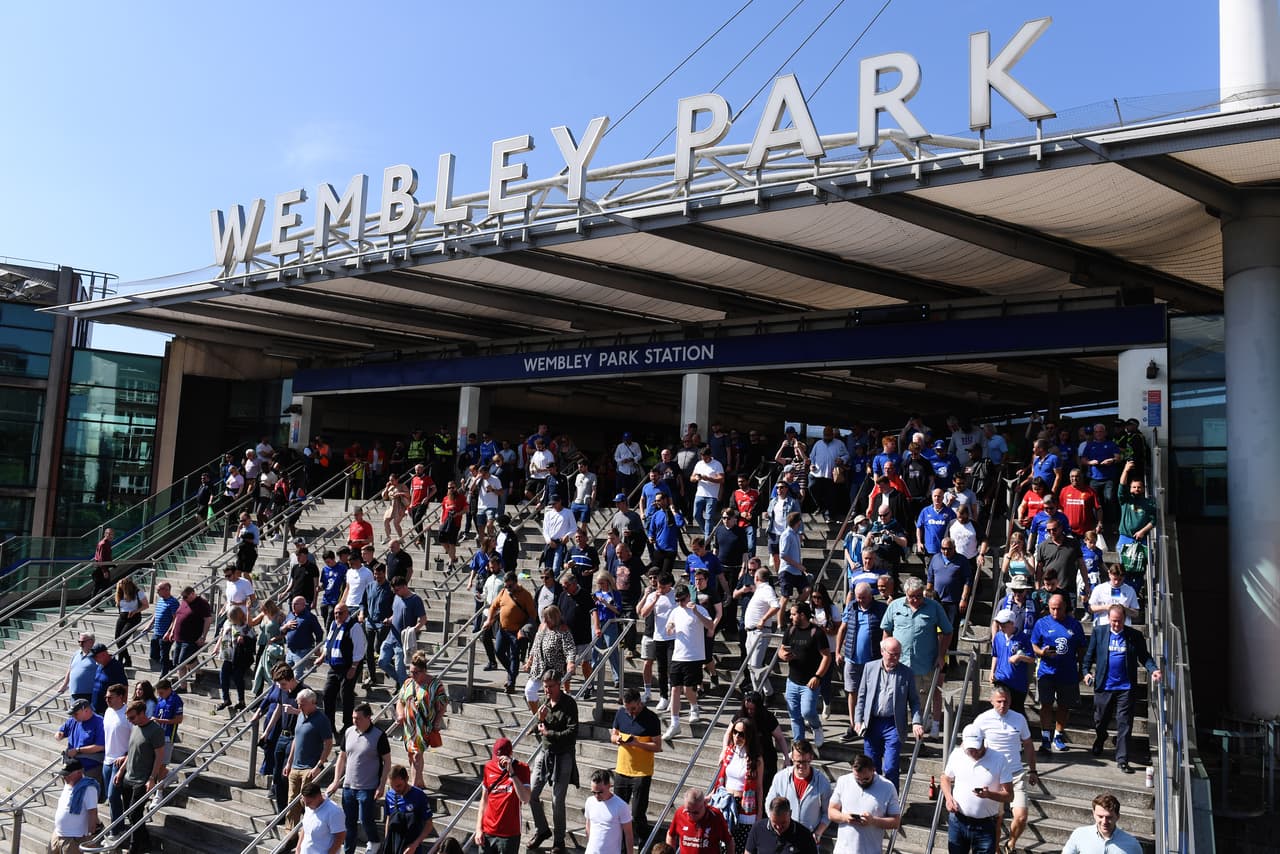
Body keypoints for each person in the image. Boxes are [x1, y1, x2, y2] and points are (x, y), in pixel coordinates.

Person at [1083, 604, 1162, 774]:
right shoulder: (1099, 632)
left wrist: (1153, 669)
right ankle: (1101, 737)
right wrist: (1086, 672)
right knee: (1100, 719)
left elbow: (1144, 656)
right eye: (1113, 621)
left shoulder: (1134, 636)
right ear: (1108, 619)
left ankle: (1122, 759)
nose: (1116, 625)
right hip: (1104, 685)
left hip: (1125, 687)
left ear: (1124, 619)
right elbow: (1089, 656)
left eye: (1119, 621)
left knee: (1125, 723)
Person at [880, 577, 952, 738]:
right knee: (895, 701)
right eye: (912, 596)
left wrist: (941, 655)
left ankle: (919, 741)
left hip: (923, 665)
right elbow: (886, 631)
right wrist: (885, 653)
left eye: (919, 596)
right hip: (898, 665)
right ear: (906, 593)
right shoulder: (895, 606)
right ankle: (898, 736)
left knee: (919, 706)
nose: (915, 600)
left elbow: (948, 631)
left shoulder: (934, 607)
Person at [971, 686, 1039, 854]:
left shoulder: (1019, 719)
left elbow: (1028, 744)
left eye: (1006, 701)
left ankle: (1011, 843)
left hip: (1015, 774)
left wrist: (1033, 770)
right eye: (999, 701)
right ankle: (996, 850)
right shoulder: (981, 720)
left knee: (1021, 817)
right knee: (997, 820)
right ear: (992, 701)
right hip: (993, 776)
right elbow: (971, 745)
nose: (1003, 705)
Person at [853, 637, 923, 794]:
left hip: (893, 724)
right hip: (872, 723)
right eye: (892, 654)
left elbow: (914, 701)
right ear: (882, 652)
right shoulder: (870, 668)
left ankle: (892, 804)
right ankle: (873, 800)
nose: (896, 658)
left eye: (898, 654)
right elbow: (862, 696)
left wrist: (916, 722)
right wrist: (858, 719)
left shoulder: (906, 673)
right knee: (871, 766)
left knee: (891, 766)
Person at [326, 703, 391, 854]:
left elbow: (387, 762)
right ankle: (349, 851)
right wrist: (336, 781)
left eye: (358, 718)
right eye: (353, 718)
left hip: (368, 787)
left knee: (366, 820)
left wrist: (381, 785)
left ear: (368, 718)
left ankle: (374, 841)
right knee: (349, 823)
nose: (355, 721)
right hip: (349, 786)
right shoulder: (349, 732)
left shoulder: (378, 735)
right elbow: (341, 757)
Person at [940, 724, 1012, 854]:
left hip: (985, 825)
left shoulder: (999, 759)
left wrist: (989, 794)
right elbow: (945, 778)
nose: (973, 752)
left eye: (976, 749)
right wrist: (948, 798)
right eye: (969, 749)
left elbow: (1009, 795)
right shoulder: (957, 754)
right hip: (958, 820)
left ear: (984, 742)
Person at [528, 669, 579, 853]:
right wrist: (537, 724)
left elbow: (572, 732)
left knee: (558, 800)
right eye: (545, 686)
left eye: (550, 686)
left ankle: (559, 841)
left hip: (563, 755)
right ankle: (542, 830)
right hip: (545, 752)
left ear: (559, 685)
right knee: (531, 794)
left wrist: (550, 733)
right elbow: (541, 725)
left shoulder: (569, 704)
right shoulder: (543, 702)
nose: (547, 690)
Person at [1030, 593, 1086, 754]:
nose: (1055, 612)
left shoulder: (1074, 625)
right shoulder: (1041, 623)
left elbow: (1082, 647)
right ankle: (1045, 736)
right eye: (1052, 609)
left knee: (1064, 705)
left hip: (1067, 672)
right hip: (1046, 672)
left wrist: (1082, 667)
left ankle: (1059, 735)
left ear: (1065, 607)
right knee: (1045, 704)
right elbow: (1033, 644)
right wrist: (1041, 652)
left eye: (1058, 609)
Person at [663, 584, 716, 740]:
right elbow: (668, 630)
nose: (681, 603)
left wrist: (695, 612)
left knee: (687, 689)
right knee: (674, 689)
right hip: (678, 655)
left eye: (683, 600)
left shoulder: (700, 609)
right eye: (678, 600)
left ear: (689, 597)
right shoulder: (675, 611)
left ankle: (694, 707)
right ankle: (675, 723)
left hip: (693, 656)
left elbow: (710, 626)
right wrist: (669, 627)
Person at [611, 688, 663, 845]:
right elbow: (612, 735)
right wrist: (618, 739)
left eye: (633, 708)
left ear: (640, 703)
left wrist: (637, 743)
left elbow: (657, 746)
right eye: (627, 709)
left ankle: (644, 843)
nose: (630, 712)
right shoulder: (621, 713)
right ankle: (619, 843)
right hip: (622, 769)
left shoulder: (651, 718)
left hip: (642, 772)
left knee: (637, 813)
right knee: (618, 810)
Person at [778, 602, 833, 748]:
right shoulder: (791, 630)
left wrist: (818, 676)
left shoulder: (817, 632)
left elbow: (827, 656)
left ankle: (816, 727)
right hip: (792, 680)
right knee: (794, 716)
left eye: (793, 614)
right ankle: (798, 745)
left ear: (802, 615)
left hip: (810, 682)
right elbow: (781, 650)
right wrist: (783, 655)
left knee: (807, 712)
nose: (790, 616)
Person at [835, 582, 885, 742]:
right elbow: (842, 628)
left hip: (872, 659)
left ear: (870, 595)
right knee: (852, 691)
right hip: (851, 657)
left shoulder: (880, 609)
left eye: (863, 597)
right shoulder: (852, 606)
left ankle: (869, 724)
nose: (860, 600)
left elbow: (887, 630)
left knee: (873, 692)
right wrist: (837, 652)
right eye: (858, 597)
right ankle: (853, 724)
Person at [115, 700, 166, 854]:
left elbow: (159, 756)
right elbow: (131, 751)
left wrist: (152, 777)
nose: (130, 721)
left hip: (142, 779)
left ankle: (135, 846)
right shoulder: (136, 727)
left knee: (135, 813)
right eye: (128, 718)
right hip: (128, 776)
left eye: (132, 718)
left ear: (142, 713)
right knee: (129, 813)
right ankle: (145, 842)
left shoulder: (155, 731)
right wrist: (121, 771)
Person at [827, 753, 901, 854]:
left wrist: (873, 821)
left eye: (866, 779)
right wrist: (845, 817)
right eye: (857, 779)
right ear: (853, 770)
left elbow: (896, 822)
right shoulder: (843, 781)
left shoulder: (888, 787)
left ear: (873, 770)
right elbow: (831, 812)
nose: (861, 782)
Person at [395, 651, 448, 789]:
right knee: (412, 755)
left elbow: (442, 704)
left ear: (424, 670)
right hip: (409, 727)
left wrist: (437, 721)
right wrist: (400, 715)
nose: (412, 675)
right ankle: (419, 782)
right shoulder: (408, 683)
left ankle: (414, 784)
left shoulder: (434, 684)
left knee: (417, 754)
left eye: (415, 672)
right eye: (411, 671)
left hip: (424, 726)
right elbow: (400, 701)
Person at [283, 689, 334, 831]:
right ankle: (290, 836)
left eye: (302, 704)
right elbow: (296, 739)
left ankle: (310, 831)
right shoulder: (301, 715)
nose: (299, 707)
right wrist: (289, 762)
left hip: (309, 768)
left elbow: (328, 744)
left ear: (313, 703)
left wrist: (319, 765)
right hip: (295, 767)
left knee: (306, 802)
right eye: (298, 704)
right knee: (292, 803)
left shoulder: (321, 720)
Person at [764, 739, 831, 844]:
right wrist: (775, 824)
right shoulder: (780, 778)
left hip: (809, 838)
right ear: (792, 759)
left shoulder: (822, 782)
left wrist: (818, 833)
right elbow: (769, 804)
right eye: (798, 762)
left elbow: (828, 813)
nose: (801, 766)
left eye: (805, 761)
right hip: (783, 836)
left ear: (811, 758)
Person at [713, 718, 765, 852]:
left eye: (741, 734)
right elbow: (721, 780)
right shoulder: (729, 752)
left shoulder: (756, 759)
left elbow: (759, 788)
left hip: (745, 807)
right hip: (727, 804)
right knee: (723, 847)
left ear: (749, 736)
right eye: (735, 732)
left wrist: (759, 814)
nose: (737, 737)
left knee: (741, 848)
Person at [474, 737, 532, 854]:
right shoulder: (489, 767)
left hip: (509, 835)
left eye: (501, 758)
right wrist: (478, 828)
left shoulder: (522, 769)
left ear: (510, 754)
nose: (498, 761)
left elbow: (525, 798)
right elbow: (484, 800)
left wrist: (512, 773)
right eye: (497, 757)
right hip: (488, 831)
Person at [484, 572, 538, 694]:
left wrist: (524, 630)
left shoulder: (525, 595)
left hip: (517, 631)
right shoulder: (503, 592)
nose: (508, 588)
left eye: (510, 586)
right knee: (498, 651)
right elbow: (493, 606)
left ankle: (511, 683)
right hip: (503, 629)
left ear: (516, 583)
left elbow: (532, 615)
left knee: (514, 656)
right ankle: (512, 672)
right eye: (506, 586)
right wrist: (489, 620)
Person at [317, 603, 365, 732]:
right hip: (334, 667)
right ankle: (329, 725)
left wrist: (353, 667)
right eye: (336, 613)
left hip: (349, 666)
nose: (337, 615)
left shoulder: (354, 627)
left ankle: (347, 724)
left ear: (347, 613)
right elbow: (328, 643)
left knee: (346, 694)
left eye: (340, 613)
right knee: (327, 693)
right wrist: (322, 657)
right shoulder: (334, 624)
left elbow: (360, 649)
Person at [379, 575, 426, 689]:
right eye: (394, 590)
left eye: (397, 590)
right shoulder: (397, 597)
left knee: (400, 670)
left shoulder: (415, 599)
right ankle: (406, 684)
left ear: (405, 586)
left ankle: (404, 689)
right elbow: (396, 613)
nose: (396, 592)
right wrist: (390, 619)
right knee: (382, 662)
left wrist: (413, 630)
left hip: (402, 641)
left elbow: (423, 619)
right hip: (391, 637)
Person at [989, 609, 1035, 719]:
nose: (1001, 627)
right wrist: (992, 671)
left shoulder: (1023, 638)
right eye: (999, 624)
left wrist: (1020, 657)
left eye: (1004, 624)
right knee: (1000, 710)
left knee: (1017, 712)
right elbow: (995, 655)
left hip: (1017, 682)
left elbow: (1032, 659)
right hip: (1001, 679)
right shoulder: (998, 637)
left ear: (1012, 623)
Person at [1061, 792, 1144, 854]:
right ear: (1093, 814)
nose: (1104, 822)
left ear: (1117, 816)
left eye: (1109, 817)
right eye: (1100, 816)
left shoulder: (1132, 844)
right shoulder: (1080, 834)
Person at [164, 586, 212, 690]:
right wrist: (171, 631)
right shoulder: (184, 602)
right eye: (182, 597)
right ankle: (195, 676)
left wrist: (203, 636)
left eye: (186, 596)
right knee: (178, 662)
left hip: (191, 638)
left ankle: (184, 685)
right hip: (179, 637)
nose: (184, 599)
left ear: (192, 593)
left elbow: (208, 620)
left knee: (183, 661)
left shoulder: (202, 603)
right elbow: (177, 616)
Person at [382, 764, 435, 854]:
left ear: (406, 779)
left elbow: (429, 825)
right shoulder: (390, 795)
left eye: (398, 786)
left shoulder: (418, 795)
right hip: (395, 845)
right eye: (392, 786)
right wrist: (387, 841)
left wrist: (415, 845)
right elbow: (388, 819)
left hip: (412, 847)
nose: (395, 790)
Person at [49, 759, 99, 854]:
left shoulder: (88, 788)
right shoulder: (68, 784)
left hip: (74, 839)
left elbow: (92, 812)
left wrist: (89, 837)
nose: (64, 777)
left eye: (67, 774)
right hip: (57, 835)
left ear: (79, 772)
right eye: (64, 774)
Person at [665, 787, 734, 854]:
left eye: (695, 812)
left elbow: (729, 842)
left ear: (704, 804)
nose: (691, 815)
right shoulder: (680, 813)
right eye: (688, 811)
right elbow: (671, 835)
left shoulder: (715, 816)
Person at [57, 698, 106, 789]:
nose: (74, 716)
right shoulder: (73, 720)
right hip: (73, 766)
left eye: (76, 713)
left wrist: (78, 750)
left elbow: (100, 746)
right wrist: (59, 735)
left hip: (90, 767)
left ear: (86, 710)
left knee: (87, 794)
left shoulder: (99, 722)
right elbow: (61, 731)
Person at [583, 769, 634, 854]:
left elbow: (629, 835)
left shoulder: (621, 806)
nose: (596, 796)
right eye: (593, 792)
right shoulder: (589, 801)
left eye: (600, 792)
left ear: (609, 786)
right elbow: (588, 825)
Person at [100, 683, 131, 822]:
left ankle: (117, 828)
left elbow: (136, 738)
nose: (107, 700)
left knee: (113, 795)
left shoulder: (128, 714)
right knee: (110, 796)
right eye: (106, 697)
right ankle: (117, 824)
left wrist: (126, 756)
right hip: (107, 760)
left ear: (120, 697)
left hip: (120, 761)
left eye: (110, 697)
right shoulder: (108, 712)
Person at [743, 797, 818, 854]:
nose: (778, 827)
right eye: (775, 823)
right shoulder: (758, 828)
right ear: (770, 814)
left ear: (790, 813)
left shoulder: (805, 835)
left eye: (783, 823)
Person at [215, 605, 254, 712]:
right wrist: (217, 646)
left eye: (232, 618)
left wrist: (244, 639)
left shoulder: (246, 627)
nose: (230, 620)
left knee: (238, 678)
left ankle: (241, 700)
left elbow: (252, 640)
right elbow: (222, 634)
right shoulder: (227, 622)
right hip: (227, 655)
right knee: (223, 676)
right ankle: (226, 699)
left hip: (238, 657)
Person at [296, 781, 346, 854]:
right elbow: (306, 828)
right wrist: (298, 848)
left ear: (318, 796)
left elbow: (340, 836)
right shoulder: (309, 806)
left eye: (309, 802)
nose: (306, 805)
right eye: (304, 801)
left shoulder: (334, 811)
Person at [149, 582, 179, 675]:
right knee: (153, 654)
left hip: (166, 633)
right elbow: (156, 613)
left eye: (159, 590)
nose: (157, 592)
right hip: (157, 631)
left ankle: (164, 674)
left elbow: (175, 618)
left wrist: (169, 632)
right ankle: (172, 665)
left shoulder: (173, 602)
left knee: (164, 655)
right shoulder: (160, 600)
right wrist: (150, 624)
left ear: (166, 590)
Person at [90, 644, 128, 716]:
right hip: (95, 709)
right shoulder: (100, 666)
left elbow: (124, 687)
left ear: (104, 654)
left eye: (96, 656)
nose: (94, 659)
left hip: (107, 711)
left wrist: (122, 708)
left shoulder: (116, 667)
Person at [60, 632, 98, 703]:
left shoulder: (96, 656)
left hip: (88, 694)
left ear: (91, 642)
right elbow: (70, 669)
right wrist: (64, 684)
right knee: (74, 713)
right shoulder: (77, 653)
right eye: (79, 641)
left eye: (83, 642)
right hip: (74, 693)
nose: (80, 644)